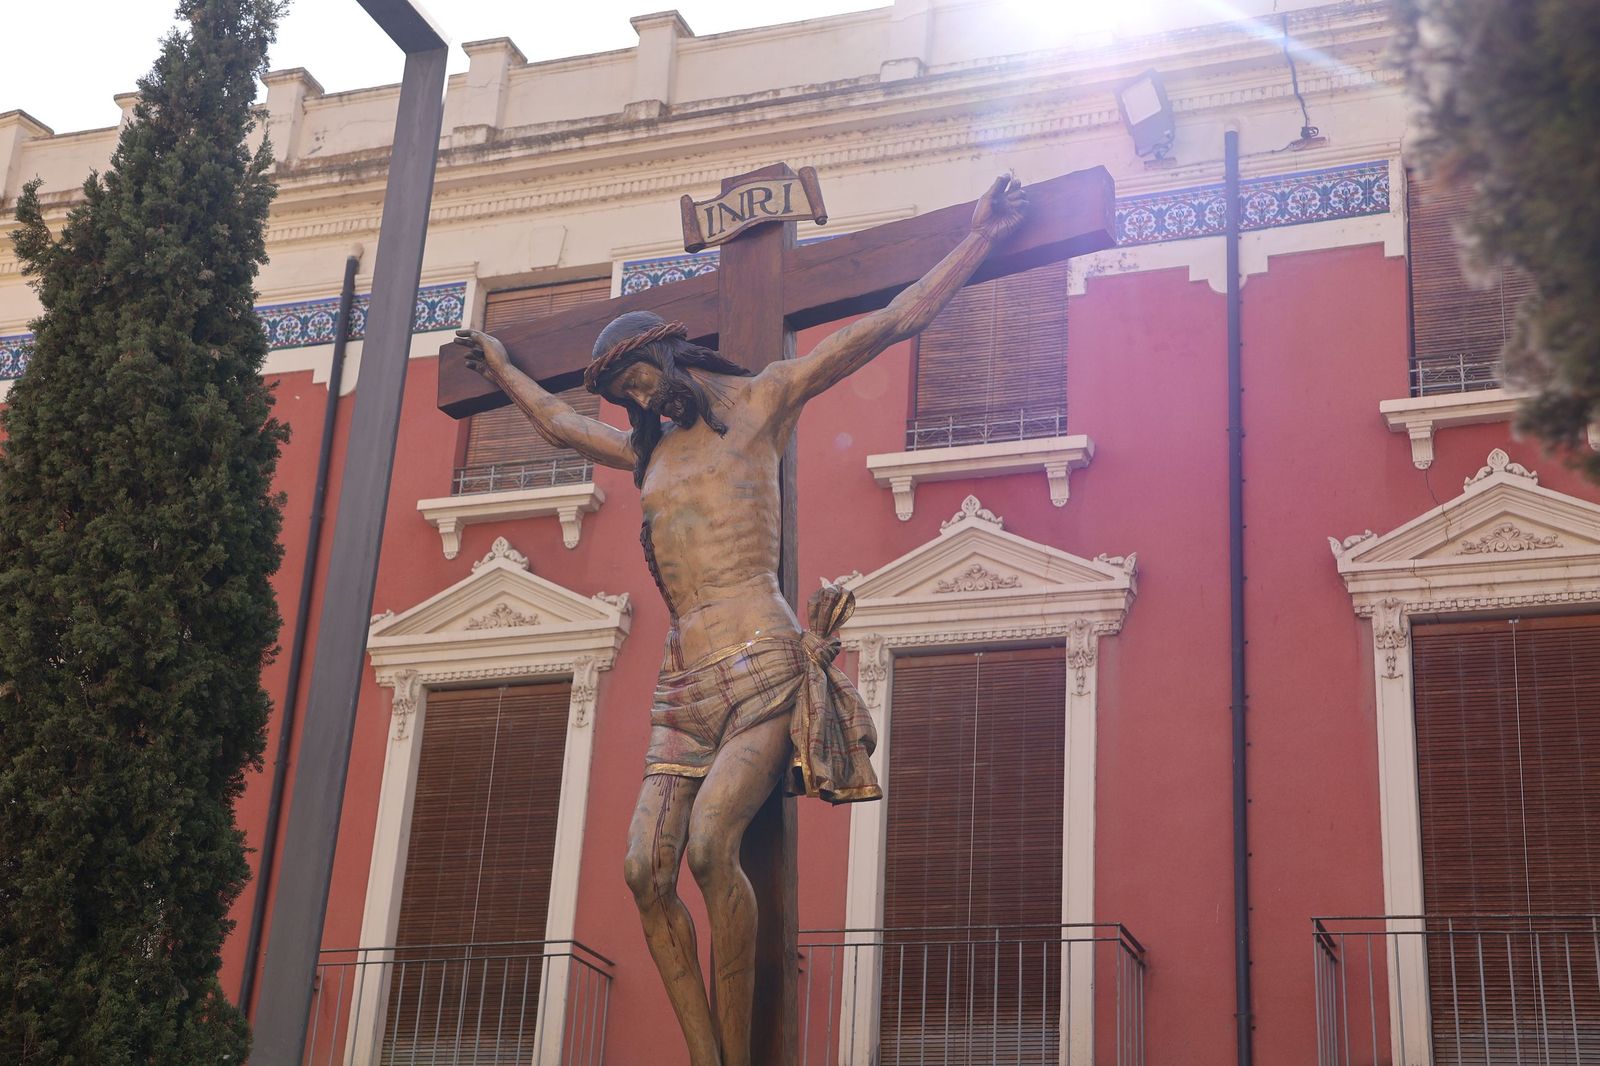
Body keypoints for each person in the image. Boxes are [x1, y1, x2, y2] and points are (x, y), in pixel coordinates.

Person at [454, 174, 1027, 1066]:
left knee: (714, 845)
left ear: (673, 357)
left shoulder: (763, 402)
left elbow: (887, 326)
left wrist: (980, 238)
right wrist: (499, 367)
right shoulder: (640, 456)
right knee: (645, 869)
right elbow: (563, 427)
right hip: (682, 688)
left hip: (762, 662)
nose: (637, 399)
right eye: (625, 391)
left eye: (641, 377)